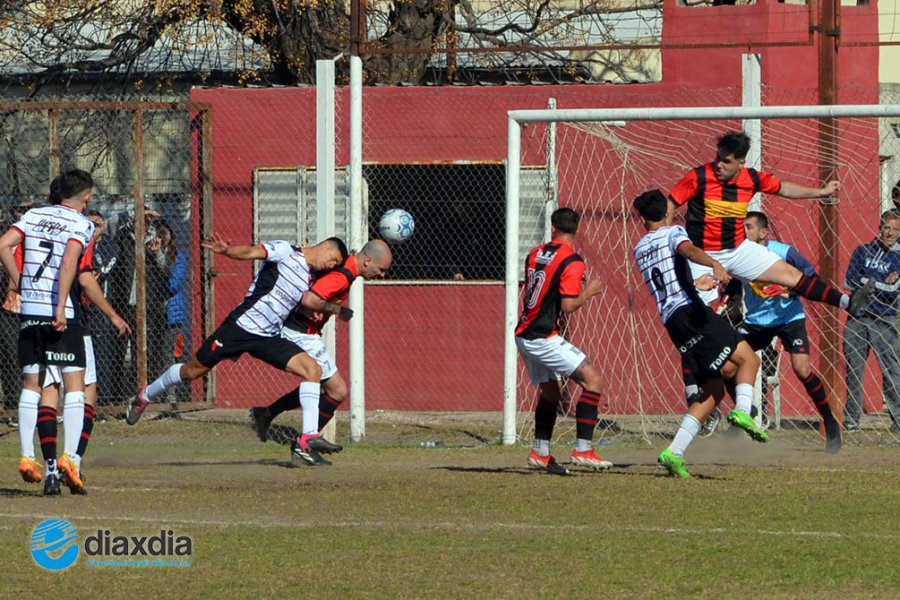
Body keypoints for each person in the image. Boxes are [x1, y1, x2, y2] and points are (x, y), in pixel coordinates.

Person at [126, 233, 350, 464]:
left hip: (268, 336)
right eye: (333, 259)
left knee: (312, 369)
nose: (331, 265)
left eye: (335, 265)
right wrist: (226, 251)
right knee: (192, 371)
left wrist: (315, 311)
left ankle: (306, 440)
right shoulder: (286, 251)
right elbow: (251, 251)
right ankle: (144, 396)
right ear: (326, 246)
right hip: (240, 328)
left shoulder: (310, 278)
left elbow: (293, 302)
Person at [633, 190, 768, 479]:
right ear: (667, 213)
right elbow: (687, 250)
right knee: (749, 359)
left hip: (673, 322)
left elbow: (667, 278)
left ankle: (674, 452)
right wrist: (714, 263)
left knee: (714, 389)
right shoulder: (673, 232)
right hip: (692, 312)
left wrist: (696, 283)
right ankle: (744, 411)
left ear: (642, 218)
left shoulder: (640, 248)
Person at [669, 130, 872, 315]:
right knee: (697, 311)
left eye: (726, 161)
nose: (718, 165)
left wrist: (821, 192)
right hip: (702, 255)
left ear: (741, 163)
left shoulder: (751, 179)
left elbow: (783, 188)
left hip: (738, 250)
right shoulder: (698, 176)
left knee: (791, 275)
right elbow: (670, 204)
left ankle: (847, 302)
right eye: (717, 158)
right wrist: (666, 240)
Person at [250, 239, 393, 461]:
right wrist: (335, 309)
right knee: (337, 391)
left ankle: (267, 414)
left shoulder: (342, 265)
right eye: (381, 269)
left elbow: (311, 287)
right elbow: (310, 298)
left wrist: (315, 306)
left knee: (317, 384)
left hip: (302, 330)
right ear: (367, 261)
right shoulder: (343, 275)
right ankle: (304, 443)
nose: (382, 275)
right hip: (300, 333)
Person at [0, 169, 95, 495]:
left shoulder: (33, 215)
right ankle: (69, 458)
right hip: (59, 310)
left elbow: (3, 245)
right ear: (86, 197)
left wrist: (19, 283)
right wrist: (60, 307)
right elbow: (69, 262)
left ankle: (27, 457)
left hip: (30, 311)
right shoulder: (81, 223)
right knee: (75, 386)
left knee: (32, 383)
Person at [37, 205, 132, 494]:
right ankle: (73, 461)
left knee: (49, 390)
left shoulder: (36, 229)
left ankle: (50, 471)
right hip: (72, 319)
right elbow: (85, 279)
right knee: (84, 390)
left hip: (37, 317)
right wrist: (113, 315)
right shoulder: (78, 234)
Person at [515, 207, 611, 475]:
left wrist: (569, 280)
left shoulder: (534, 253)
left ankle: (540, 452)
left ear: (553, 227)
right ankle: (583, 450)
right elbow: (568, 307)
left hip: (524, 332)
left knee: (551, 393)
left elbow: (545, 282)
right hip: (542, 337)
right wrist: (588, 291)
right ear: (577, 230)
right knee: (593, 381)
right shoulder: (572, 260)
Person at [738, 211, 841, 452]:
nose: (743, 231)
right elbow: (734, 278)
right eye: (742, 226)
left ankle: (829, 420)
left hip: (789, 318)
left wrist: (788, 291)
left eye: (749, 227)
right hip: (756, 321)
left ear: (763, 233)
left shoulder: (784, 252)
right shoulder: (739, 252)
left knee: (802, 369)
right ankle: (745, 408)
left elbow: (811, 277)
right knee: (728, 361)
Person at [842, 209, 900, 432]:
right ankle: (851, 419)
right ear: (880, 228)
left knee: (891, 369)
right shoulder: (863, 250)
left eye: (895, 229)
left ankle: (898, 418)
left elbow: (893, 291)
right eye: (887, 228)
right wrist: (878, 282)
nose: (890, 233)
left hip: (884, 318)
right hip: (857, 317)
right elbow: (849, 281)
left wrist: (867, 283)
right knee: (854, 370)